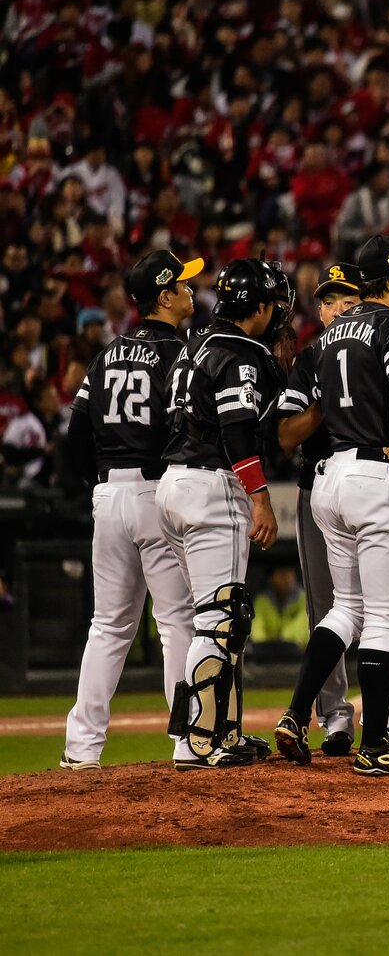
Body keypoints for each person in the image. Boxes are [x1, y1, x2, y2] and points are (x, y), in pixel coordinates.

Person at [273, 233, 389, 777]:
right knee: (387, 617)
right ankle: (377, 745)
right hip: (377, 478)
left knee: (346, 609)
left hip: (328, 480)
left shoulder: (324, 339)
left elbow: (287, 426)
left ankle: (297, 713)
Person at [60, 249, 200, 769]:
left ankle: (81, 749)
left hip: (108, 494)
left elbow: (74, 437)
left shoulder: (106, 353)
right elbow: (186, 428)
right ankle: (189, 740)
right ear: (164, 296)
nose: (191, 290)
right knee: (177, 622)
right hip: (156, 490)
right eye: (183, 284)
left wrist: (94, 488)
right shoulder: (181, 354)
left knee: (107, 626)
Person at [158, 257, 292, 769]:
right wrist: (260, 497)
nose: (278, 315)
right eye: (273, 306)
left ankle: (223, 731)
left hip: (173, 484)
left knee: (218, 618)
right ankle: (196, 741)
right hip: (213, 485)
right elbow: (237, 430)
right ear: (257, 308)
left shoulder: (195, 345)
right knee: (218, 620)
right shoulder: (238, 353)